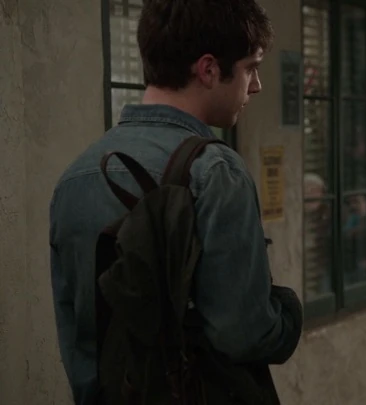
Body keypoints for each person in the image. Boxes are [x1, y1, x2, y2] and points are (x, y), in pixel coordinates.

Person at [49, 1, 303, 404]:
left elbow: (77, 336)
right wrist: (288, 313)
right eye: (250, 68)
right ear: (208, 69)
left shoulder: (74, 179)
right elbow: (243, 334)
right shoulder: (217, 172)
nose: (256, 86)